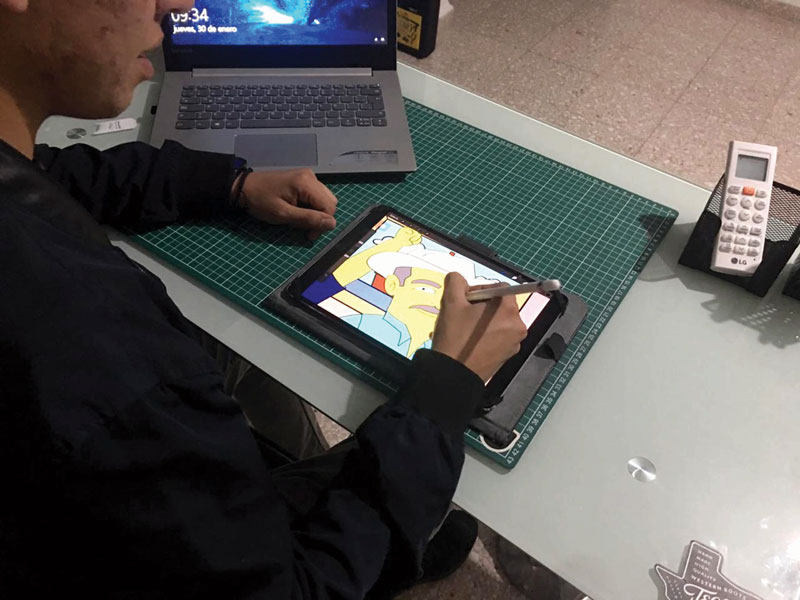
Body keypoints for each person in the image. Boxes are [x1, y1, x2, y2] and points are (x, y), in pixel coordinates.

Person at [0, 1, 528, 598]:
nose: (180, 6)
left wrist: (231, 183)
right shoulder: (107, 358)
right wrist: (445, 394)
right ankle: (377, 524)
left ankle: (302, 478)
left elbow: (53, 172)